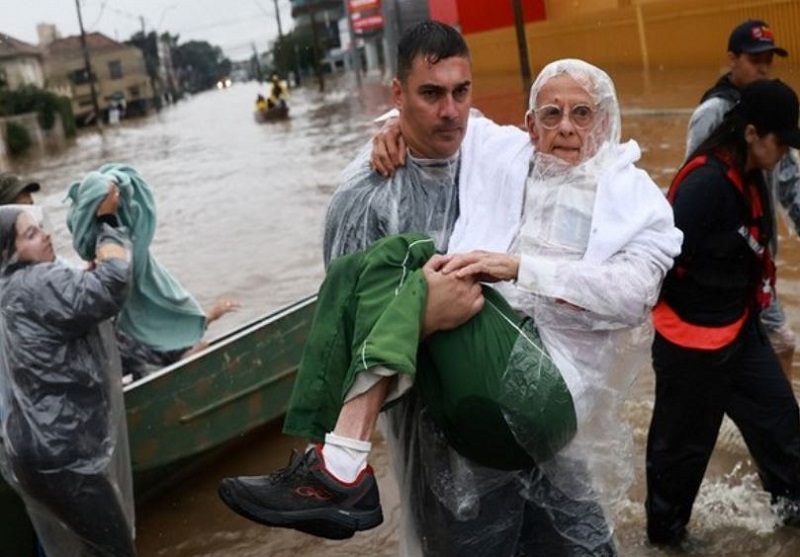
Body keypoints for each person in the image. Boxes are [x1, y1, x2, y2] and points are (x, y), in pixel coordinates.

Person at [219, 21, 681, 555]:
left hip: (541, 400)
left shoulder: (633, 196)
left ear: (605, 121)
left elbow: (635, 291)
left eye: (583, 114)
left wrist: (518, 268)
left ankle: (338, 463)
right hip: (453, 423)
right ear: (531, 124)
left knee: (408, 259)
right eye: (552, 114)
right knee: (391, 265)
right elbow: (348, 322)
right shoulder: (495, 160)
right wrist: (424, 316)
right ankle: (336, 461)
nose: (567, 129)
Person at [646, 79, 800, 547]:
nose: (786, 154)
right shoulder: (706, 185)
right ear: (752, 133)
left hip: (739, 331)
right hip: (692, 345)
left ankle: (791, 521)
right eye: (781, 142)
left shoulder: (752, 171)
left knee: (784, 430)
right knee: (681, 458)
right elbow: (656, 261)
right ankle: (665, 542)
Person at [0, 187, 138, 556]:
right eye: (30, 235)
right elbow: (113, 284)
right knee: (115, 551)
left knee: (89, 548)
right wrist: (107, 224)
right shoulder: (36, 283)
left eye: (40, 227)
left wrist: (81, 281)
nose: (45, 234)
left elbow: (74, 299)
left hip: (33, 451)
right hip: (62, 452)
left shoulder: (12, 287)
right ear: (8, 254)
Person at [686, 19, 800, 380]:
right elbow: (695, 187)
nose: (764, 68)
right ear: (732, 59)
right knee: (776, 340)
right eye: (756, 60)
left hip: (757, 257)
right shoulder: (713, 114)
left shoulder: (771, 110)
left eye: (769, 60)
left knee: (772, 342)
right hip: (728, 261)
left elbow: (789, 181)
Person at [66, 164, 239, 379]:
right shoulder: (116, 260)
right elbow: (119, 274)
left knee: (196, 349)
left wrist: (209, 317)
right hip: (136, 353)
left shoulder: (126, 261)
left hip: (140, 352)